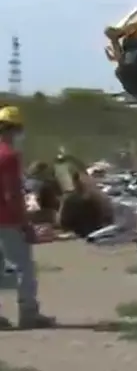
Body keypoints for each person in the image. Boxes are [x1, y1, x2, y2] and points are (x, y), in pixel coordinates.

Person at [0, 106, 54, 329]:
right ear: (16, 129)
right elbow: (12, 194)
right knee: (23, 266)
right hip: (7, 220)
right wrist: (25, 224)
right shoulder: (10, 156)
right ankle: (28, 313)